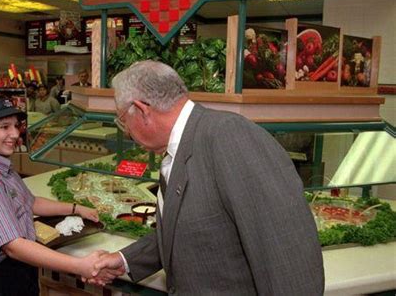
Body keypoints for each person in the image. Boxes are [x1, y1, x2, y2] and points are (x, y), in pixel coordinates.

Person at [88, 60, 325, 295]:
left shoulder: (229, 136)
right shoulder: (179, 147)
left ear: (142, 110)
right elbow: (192, 232)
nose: (127, 131)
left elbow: (289, 257)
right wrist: (125, 260)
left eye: (123, 120)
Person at [0, 95, 120, 295]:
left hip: (16, 272)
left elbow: (30, 202)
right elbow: (14, 246)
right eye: (4, 127)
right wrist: (80, 265)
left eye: (15, 125)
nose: (14, 134)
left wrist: (76, 208)